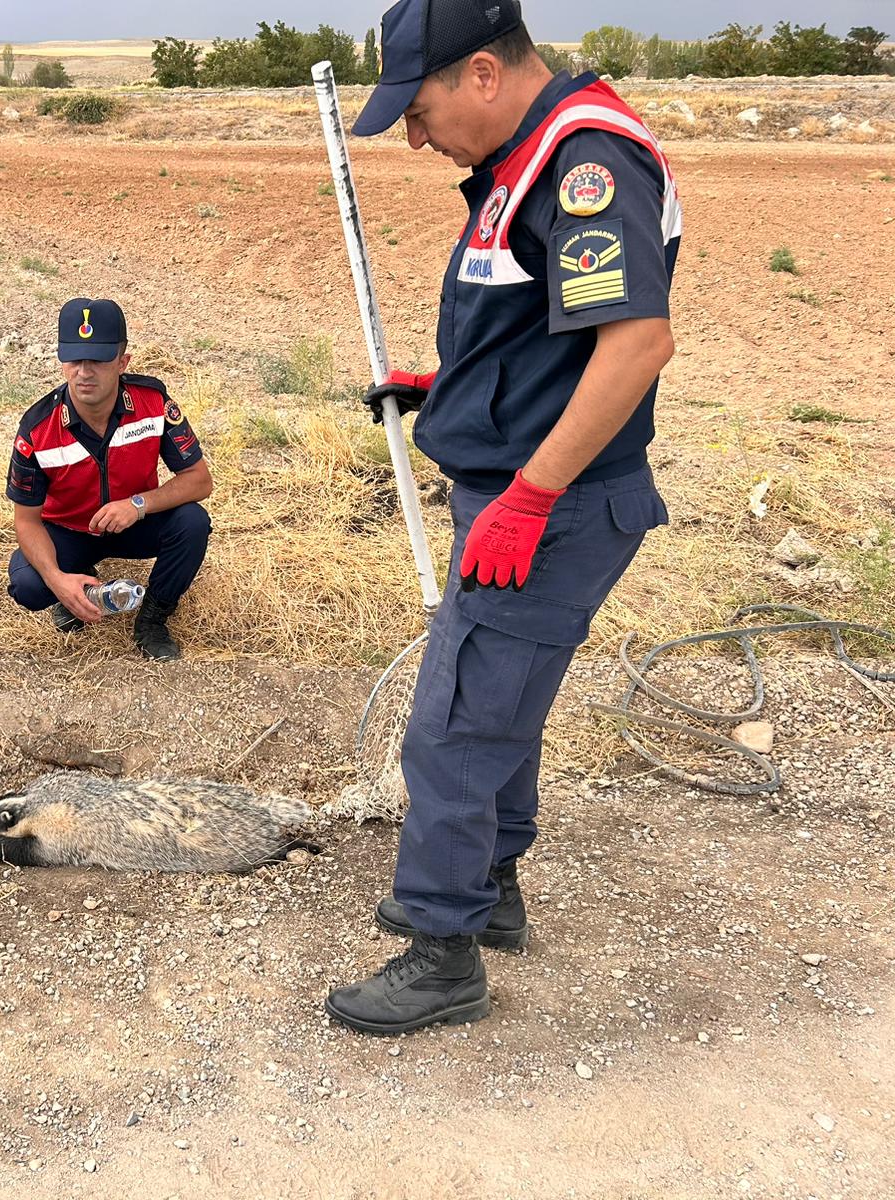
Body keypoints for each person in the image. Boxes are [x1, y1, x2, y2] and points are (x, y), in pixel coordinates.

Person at [324, 0, 679, 1035]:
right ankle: (495, 894)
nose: (416, 137)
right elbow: (543, 335)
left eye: (420, 109)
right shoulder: (528, 161)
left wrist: (527, 495)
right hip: (526, 485)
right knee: (498, 708)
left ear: (481, 73)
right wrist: (448, 387)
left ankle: (441, 949)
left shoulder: (584, 163)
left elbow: (634, 344)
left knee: (449, 727)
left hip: (553, 503)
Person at [5, 298, 214, 660]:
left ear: (122, 362)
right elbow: (26, 521)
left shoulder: (153, 403)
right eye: (73, 359)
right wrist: (59, 581)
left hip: (133, 524)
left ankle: (152, 618)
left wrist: (138, 505)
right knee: (28, 583)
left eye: (98, 360)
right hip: (68, 531)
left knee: (193, 521)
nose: (84, 372)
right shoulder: (37, 429)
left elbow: (199, 481)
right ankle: (79, 585)